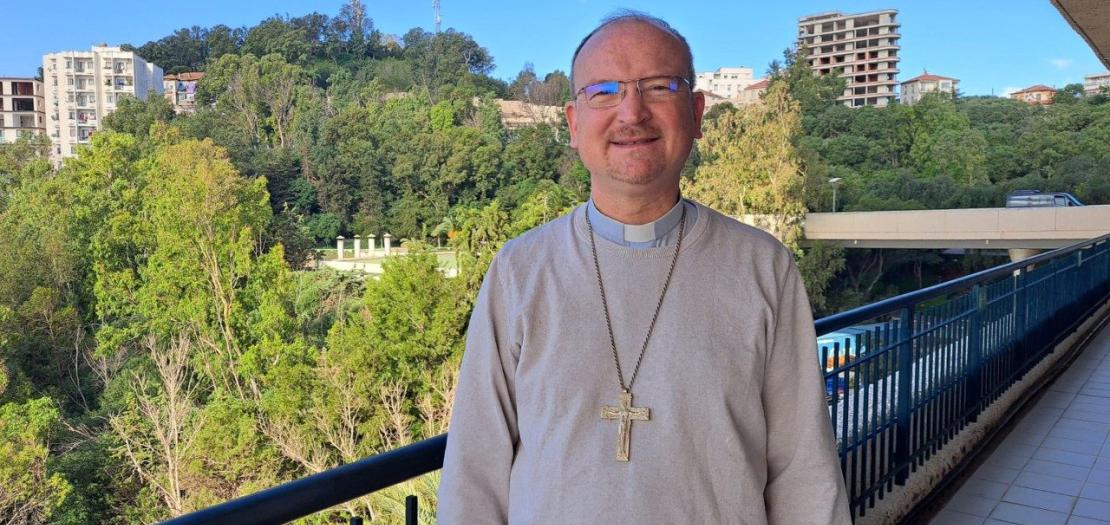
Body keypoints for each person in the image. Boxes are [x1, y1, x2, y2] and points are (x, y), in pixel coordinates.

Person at [437, 12, 850, 524]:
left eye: (658, 86)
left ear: (696, 113)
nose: (632, 112)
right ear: (572, 123)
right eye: (604, 91)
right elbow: (474, 475)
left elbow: (804, 471)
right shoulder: (519, 271)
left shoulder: (764, 269)